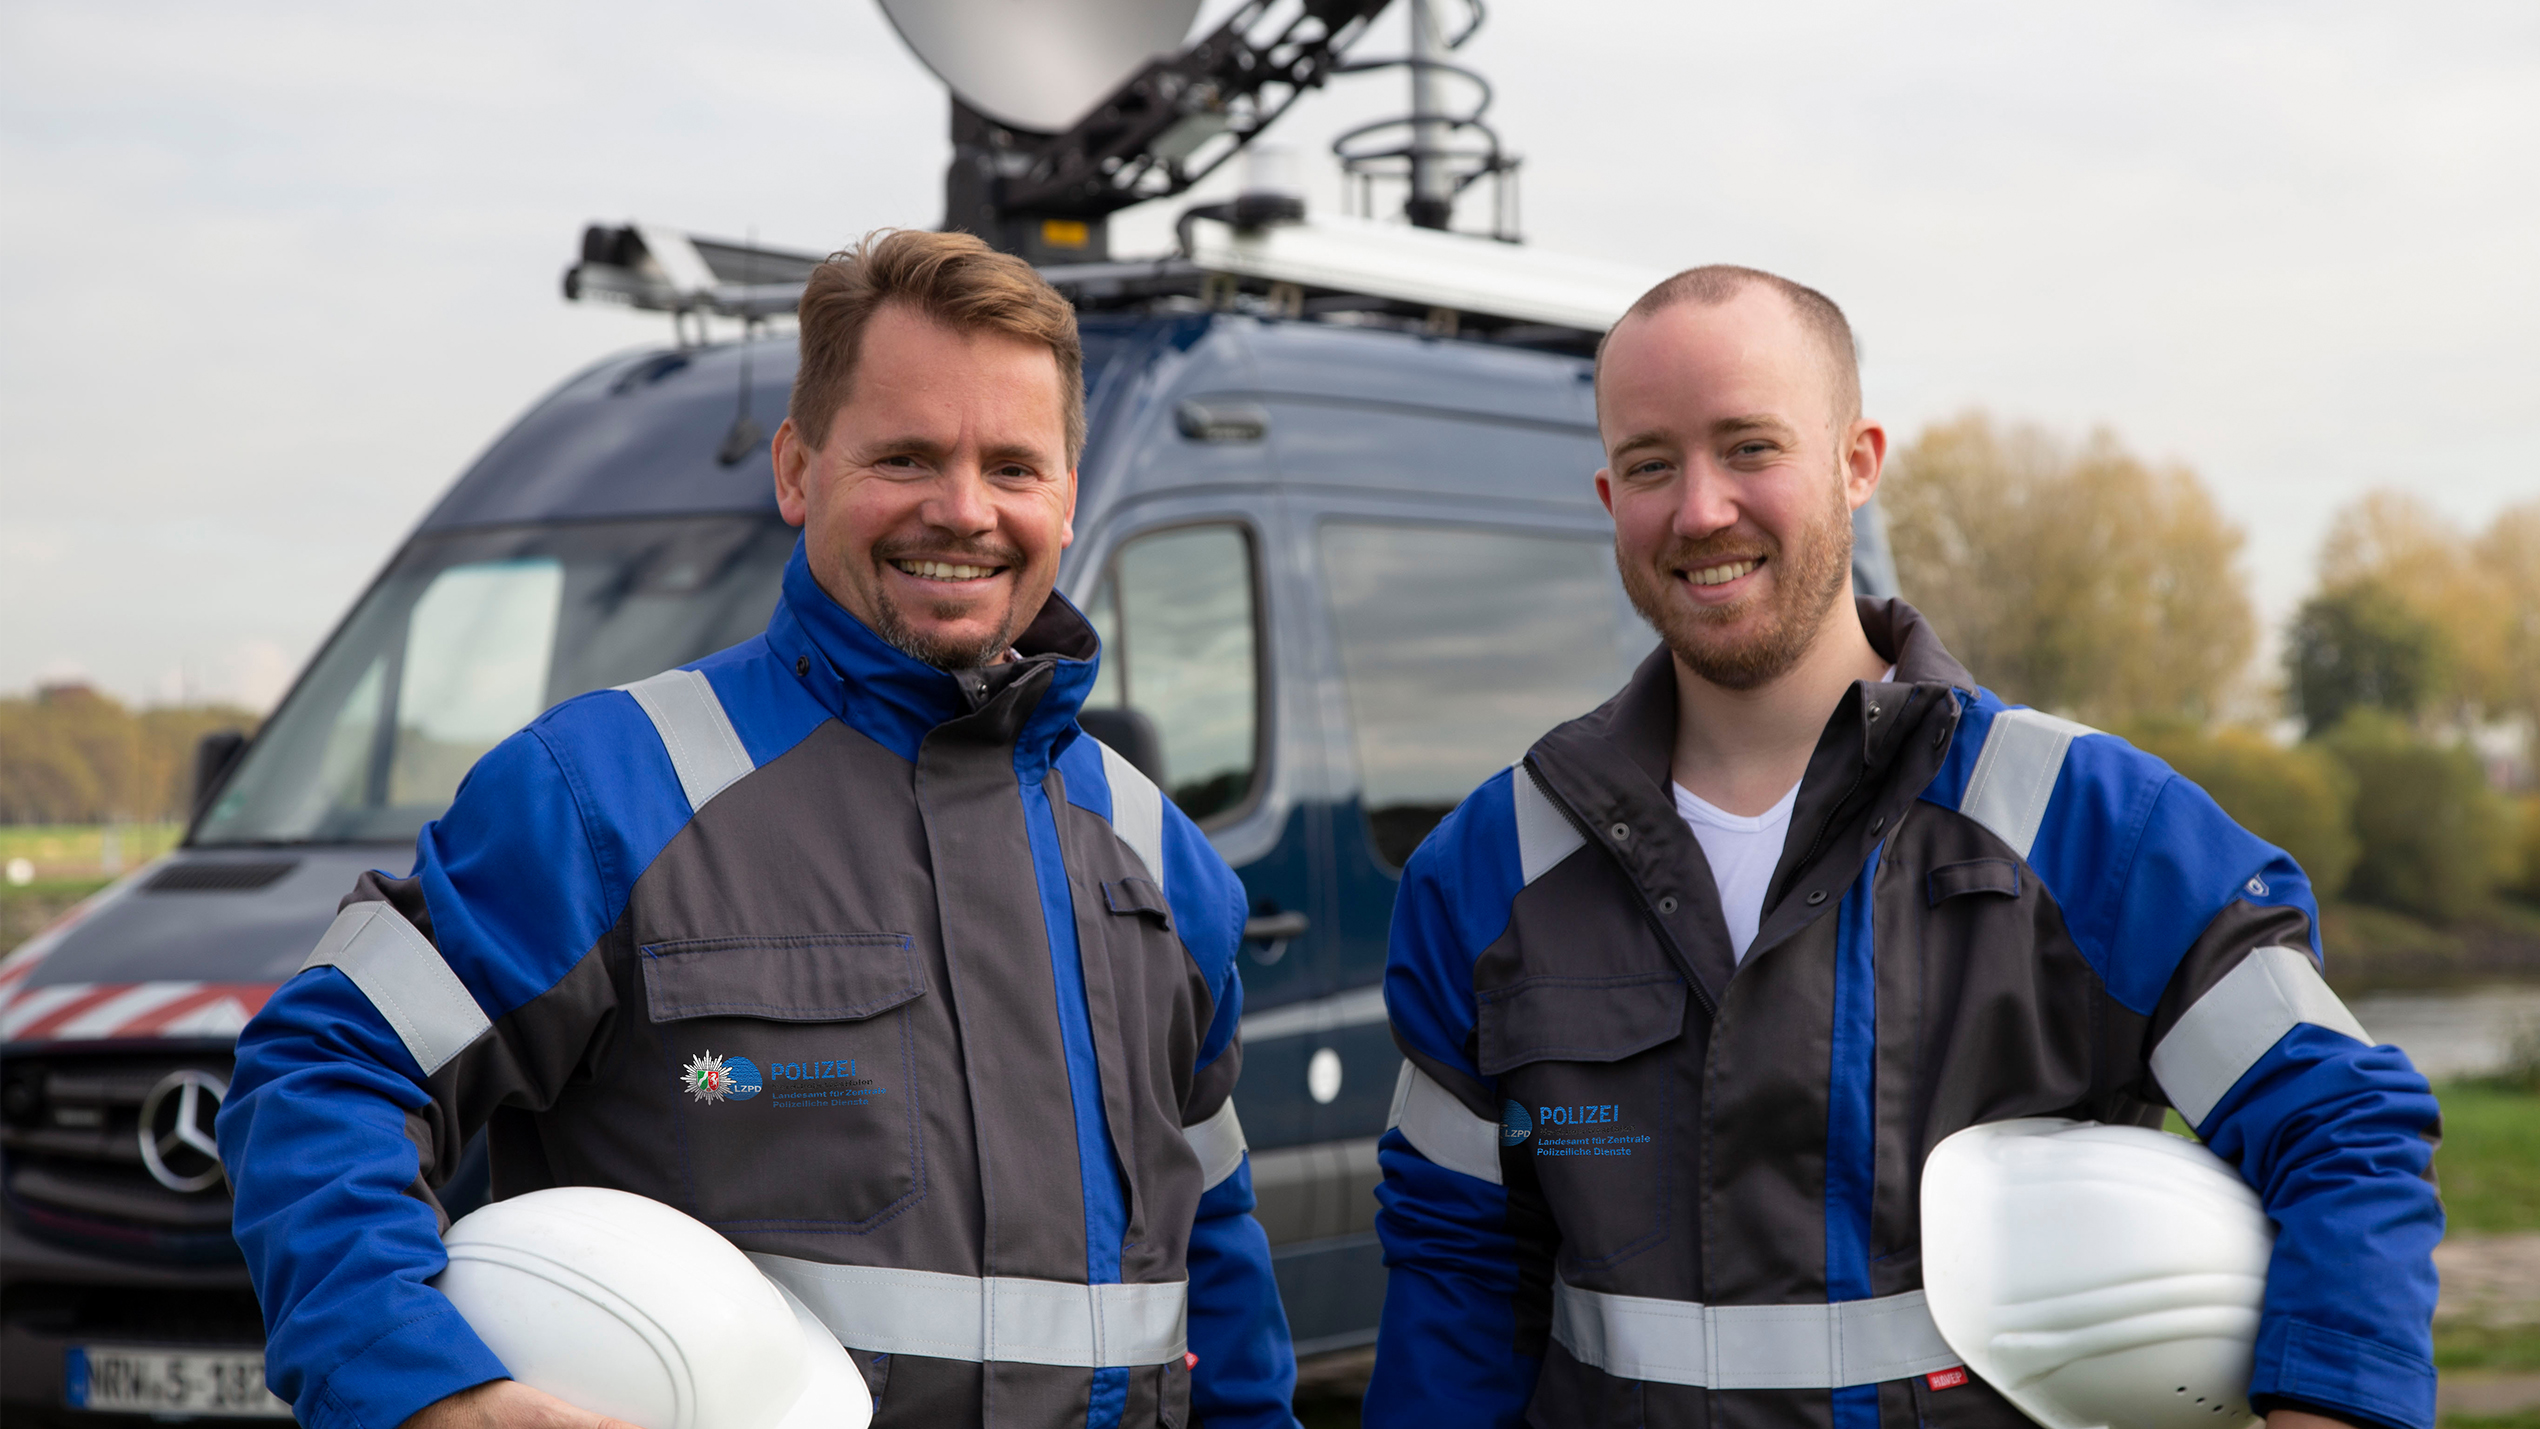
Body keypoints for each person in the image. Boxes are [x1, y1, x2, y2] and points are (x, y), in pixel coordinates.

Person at [217, 229, 1299, 1429]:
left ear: (1066, 496)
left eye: (1012, 466)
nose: (962, 511)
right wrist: (420, 1387)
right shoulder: (604, 794)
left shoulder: (1161, 862)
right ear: (796, 470)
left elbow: (1216, 1249)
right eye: (905, 456)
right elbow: (323, 1072)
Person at [1362, 266, 2441, 1429]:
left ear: (1856, 462)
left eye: (1748, 446)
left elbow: (2343, 1127)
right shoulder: (1487, 873)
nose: (1699, 510)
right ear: (1606, 491)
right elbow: (1454, 1281)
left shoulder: (2079, 824)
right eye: (1650, 464)